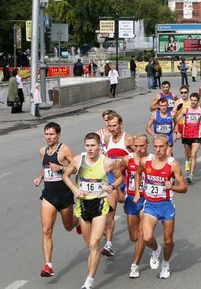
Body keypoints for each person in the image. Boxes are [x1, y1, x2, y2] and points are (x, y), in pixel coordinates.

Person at [63, 132, 124, 289]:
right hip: (83, 206)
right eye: (87, 145)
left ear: (99, 147)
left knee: (94, 242)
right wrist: (75, 190)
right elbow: (65, 175)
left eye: (93, 146)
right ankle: (91, 272)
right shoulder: (78, 160)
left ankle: (89, 281)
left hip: (99, 205)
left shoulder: (107, 162)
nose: (90, 149)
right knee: (90, 246)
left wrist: (112, 186)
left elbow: (119, 177)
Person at [133, 135, 188, 279]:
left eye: (161, 147)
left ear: (167, 147)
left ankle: (165, 264)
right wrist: (138, 191)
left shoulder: (173, 164)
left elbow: (184, 187)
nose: (158, 150)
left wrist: (173, 187)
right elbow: (138, 174)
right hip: (150, 204)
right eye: (156, 146)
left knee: (168, 240)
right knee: (146, 236)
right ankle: (156, 249)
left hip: (166, 206)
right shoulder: (146, 161)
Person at [33, 122, 79, 277]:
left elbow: (77, 167)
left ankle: (77, 221)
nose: (49, 137)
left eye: (52, 134)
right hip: (49, 195)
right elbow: (45, 167)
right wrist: (39, 177)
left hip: (64, 194)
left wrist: (60, 168)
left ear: (58, 135)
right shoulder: (42, 151)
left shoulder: (64, 149)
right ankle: (48, 265)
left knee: (68, 226)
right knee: (46, 230)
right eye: (46, 134)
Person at [103, 113, 134, 257]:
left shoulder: (128, 139)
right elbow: (107, 161)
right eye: (109, 126)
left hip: (128, 182)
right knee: (110, 213)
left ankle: (140, 236)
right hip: (113, 182)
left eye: (114, 125)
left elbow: (139, 157)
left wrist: (125, 162)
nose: (112, 128)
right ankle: (108, 244)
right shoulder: (108, 141)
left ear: (121, 124)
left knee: (132, 217)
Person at [119, 134, 149, 278]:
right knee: (134, 236)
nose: (139, 149)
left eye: (141, 146)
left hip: (148, 199)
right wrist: (119, 192)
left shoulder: (153, 159)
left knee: (143, 232)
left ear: (147, 144)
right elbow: (117, 174)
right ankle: (146, 246)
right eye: (136, 146)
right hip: (131, 199)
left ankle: (134, 265)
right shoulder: (127, 159)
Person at [178, 93, 201, 184]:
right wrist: (177, 131)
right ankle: (188, 162)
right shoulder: (186, 110)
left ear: (198, 101)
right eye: (192, 100)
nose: (193, 102)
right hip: (186, 135)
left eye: (195, 100)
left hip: (196, 135)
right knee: (189, 154)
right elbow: (177, 119)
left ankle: (191, 175)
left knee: (193, 154)